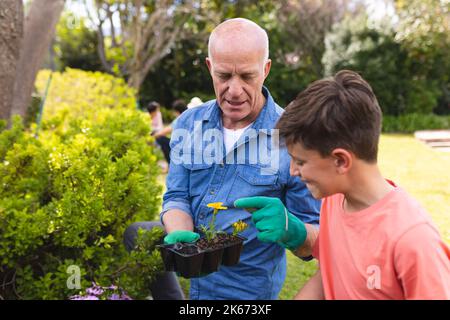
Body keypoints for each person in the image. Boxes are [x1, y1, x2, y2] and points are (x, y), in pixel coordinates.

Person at [124, 18, 321, 300]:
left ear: (265, 70)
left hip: (244, 291)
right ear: (209, 68)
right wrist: (181, 236)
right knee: (137, 234)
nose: (235, 90)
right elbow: (177, 195)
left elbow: (316, 243)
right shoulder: (188, 124)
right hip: (193, 274)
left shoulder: (293, 137)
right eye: (224, 75)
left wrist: (293, 229)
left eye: (247, 76)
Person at [263, 70, 449, 299]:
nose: (292, 171)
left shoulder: (413, 239)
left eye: (300, 161)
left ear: (341, 161)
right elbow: (328, 276)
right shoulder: (334, 200)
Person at [153, 99, 188, 165]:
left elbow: (166, 131)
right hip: (188, 146)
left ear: (177, 111)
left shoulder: (180, 118)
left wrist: (153, 136)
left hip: (182, 148)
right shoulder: (189, 116)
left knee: (160, 139)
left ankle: (170, 163)